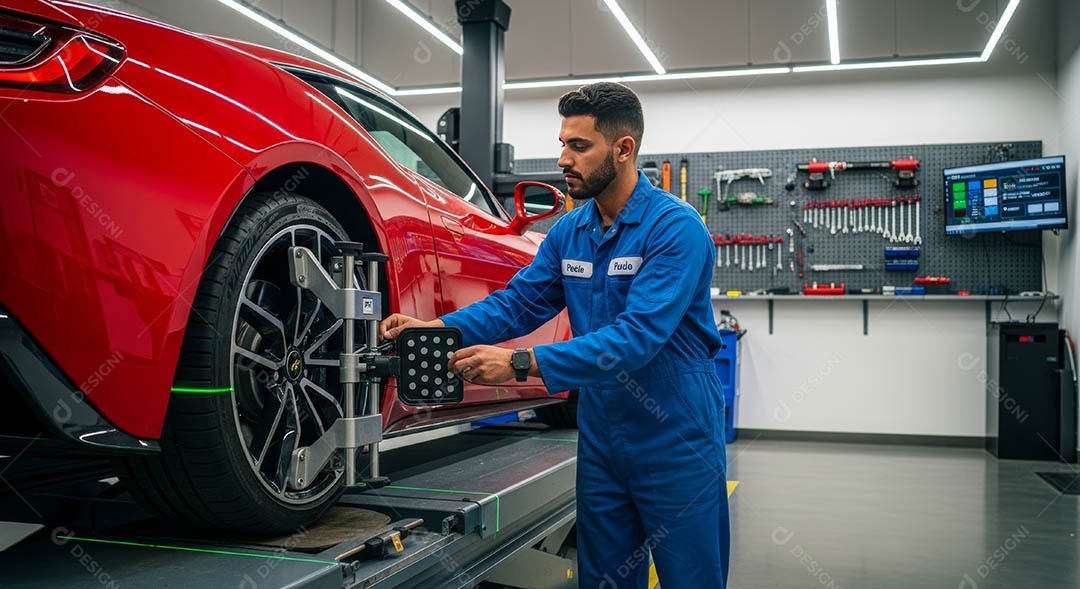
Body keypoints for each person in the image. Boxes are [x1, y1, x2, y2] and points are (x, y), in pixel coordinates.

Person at [380, 82, 729, 588]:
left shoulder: (674, 229)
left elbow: (635, 340)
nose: (563, 158)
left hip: (675, 432)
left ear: (624, 149)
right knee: (604, 578)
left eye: (579, 147)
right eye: (563, 143)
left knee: (691, 578)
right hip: (604, 433)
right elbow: (518, 303)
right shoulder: (571, 231)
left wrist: (519, 364)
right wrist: (440, 329)